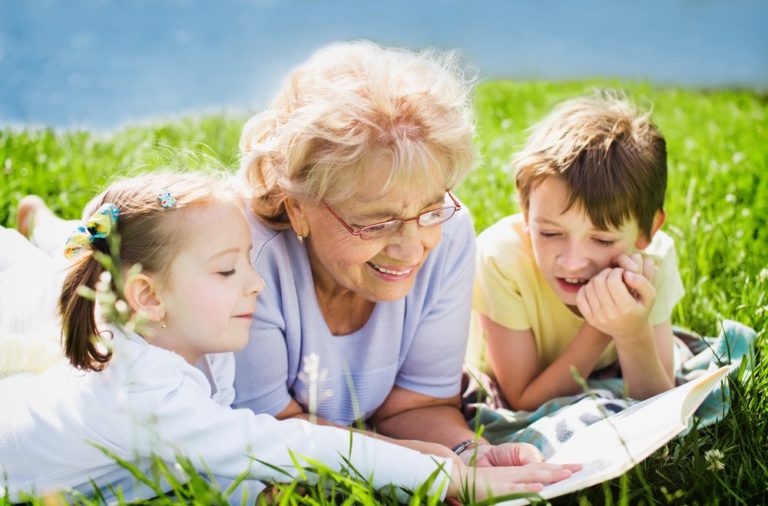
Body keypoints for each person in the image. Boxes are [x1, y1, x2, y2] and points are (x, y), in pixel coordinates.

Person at [0, 172, 578, 503]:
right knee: (42, 299)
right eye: (227, 271)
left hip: (51, 393)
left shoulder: (175, 333)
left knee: (66, 284)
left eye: (249, 263)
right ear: (149, 298)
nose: (256, 284)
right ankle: (46, 235)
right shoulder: (150, 396)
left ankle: (49, 230)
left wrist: (438, 451)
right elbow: (288, 448)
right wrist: (444, 477)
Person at [232, 40, 551, 466]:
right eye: (377, 221)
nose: (411, 247)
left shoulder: (450, 231)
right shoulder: (244, 259)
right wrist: (429, 469)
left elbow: (416, 406)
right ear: (298, 209)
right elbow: (271, 433)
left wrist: (467, 454)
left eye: (430, 208)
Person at [466, 93, 685, 411]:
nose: (571, 261)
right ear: (526, 213)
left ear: (647, 231)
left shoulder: (654, 261)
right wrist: (601, 326)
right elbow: (523, 401)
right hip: (512, 388)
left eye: (603, 240)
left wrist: (633, 333)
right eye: (551, 233)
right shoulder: (501, 259)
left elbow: (660, 405)